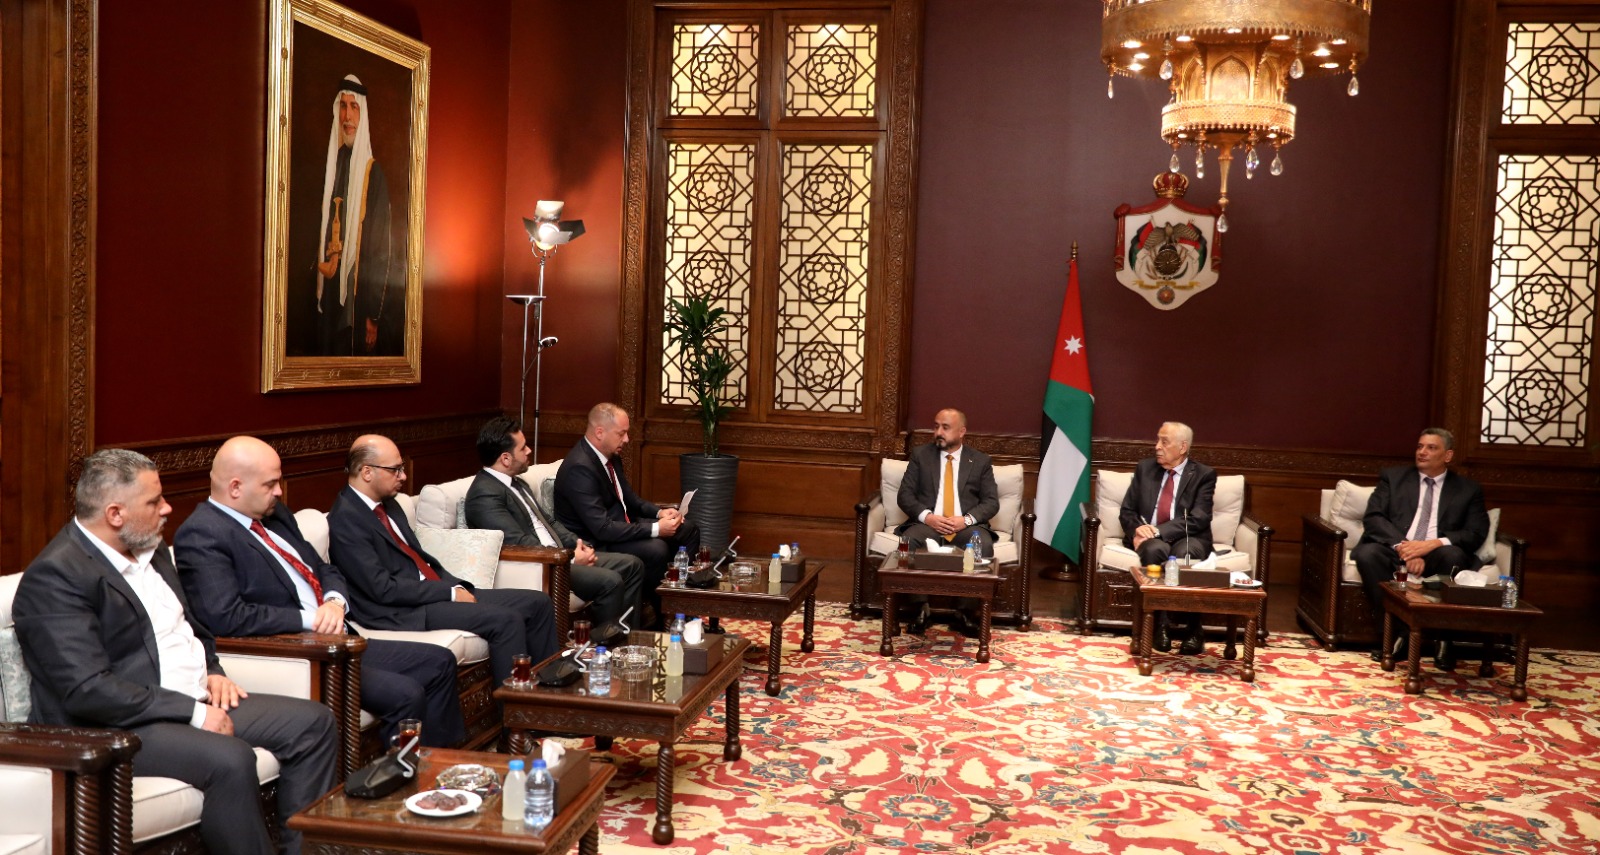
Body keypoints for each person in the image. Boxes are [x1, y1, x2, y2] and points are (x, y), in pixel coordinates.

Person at [12, 449, 336, 855]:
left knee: (313, 723)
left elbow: (194, 626)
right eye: (154, 502)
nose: (167, 508)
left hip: (192, 697)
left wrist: (213, 670)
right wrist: (194, 713)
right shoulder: (56, 577)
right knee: (231, 759)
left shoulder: (151, 548)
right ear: (115, 514)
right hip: (117, 726)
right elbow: (88, 690)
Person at [175, 436, 465, 748]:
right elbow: (226, 616)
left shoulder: (275, 515)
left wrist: (334, 601)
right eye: (270, 484)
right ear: (235, 487)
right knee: (406, 693)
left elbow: (324, 569)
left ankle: (445, 765)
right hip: (303, 652)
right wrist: (311, 619)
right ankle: (402, 774)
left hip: (339, 635)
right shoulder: (202, 534)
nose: (279, 491)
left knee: (439, 662)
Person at [327, 435, 558, 685]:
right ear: (366, 472)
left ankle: (549, 691)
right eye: (395, 470)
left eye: (402, 468)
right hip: (403, 610)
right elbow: (382, 588)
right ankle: (516, 707)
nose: (403, 476)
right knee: (506, 620)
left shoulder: (389, 504)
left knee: (538, 603)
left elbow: (417, 559)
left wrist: (453, 586)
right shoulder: (346, 520)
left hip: (432, 592)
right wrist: (448, 592)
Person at [465, 417, 645, 640]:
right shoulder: (484, 494)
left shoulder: (517, 482)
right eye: (523, 448)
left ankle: (627, 639)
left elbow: (549, 522)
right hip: (544, 565)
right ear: (505, 458)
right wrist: (570, 559)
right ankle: (603, 647)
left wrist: (578, 544)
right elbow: (518, 543)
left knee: (632, 565)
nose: (529, 451)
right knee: (610, 581)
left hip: (560, 555)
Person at [554, 403, 700, 626]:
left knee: (688, 529)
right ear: (600, 432)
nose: (627, 439)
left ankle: (683, 609)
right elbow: (602, 528)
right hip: (598, 542)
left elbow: (630, 500)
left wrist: (660, 512)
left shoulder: (610, 457)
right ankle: (662, 617)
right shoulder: (579, 468)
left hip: (621, 526)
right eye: (621, 433)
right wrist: (657, 529)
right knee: (656, 549)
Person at [1352, 428, 1489, 662]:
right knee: (1367, 554)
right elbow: (1374, 518)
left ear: (1448, 455)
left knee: (1453, 556)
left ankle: (1443, 638)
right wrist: (1406, 548)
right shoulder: (1393, 478)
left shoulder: (1468, 489)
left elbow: (1475, 532)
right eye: (1419, 446)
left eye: (1431, 448)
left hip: (1438, 552)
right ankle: (1399, 635)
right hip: (1395, 548)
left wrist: (1431, 544)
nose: (1422, 452)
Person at [313, 74, 400, 356]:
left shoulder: (374, 176)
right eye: (343, 106)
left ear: (362, 115)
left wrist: (373, 315)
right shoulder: (333, 167)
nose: (347, 116)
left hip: (358, 296)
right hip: (330, 287)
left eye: (354, 107)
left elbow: (381, 250)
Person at [895, 408, 999, 636]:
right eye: (936, 426)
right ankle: (920, 609)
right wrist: (928, 517)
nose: (938, 432)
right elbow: (905, 495)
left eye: (945, 427)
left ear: (961, 431)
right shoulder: (921, 455)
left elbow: (991, 502)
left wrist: (966, 520)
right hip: (928, 526)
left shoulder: (980, 461)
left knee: (982, 543)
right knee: (907, 541)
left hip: (964, 527)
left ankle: (965, 613)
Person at [1117, 421, 1216, 656]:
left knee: (1185, 555)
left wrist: (1158, 530)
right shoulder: (1145, 469)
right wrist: (1137, 531)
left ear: (1182, 447)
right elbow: (1127, 511)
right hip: (1152, 538)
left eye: (1164, 442)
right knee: (1154, 550)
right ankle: (1159, 625)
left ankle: (1194, 629)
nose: (1157, 447)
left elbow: (1199, 518)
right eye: (1157, 440)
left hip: (1189, 536)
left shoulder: (1203, 475)